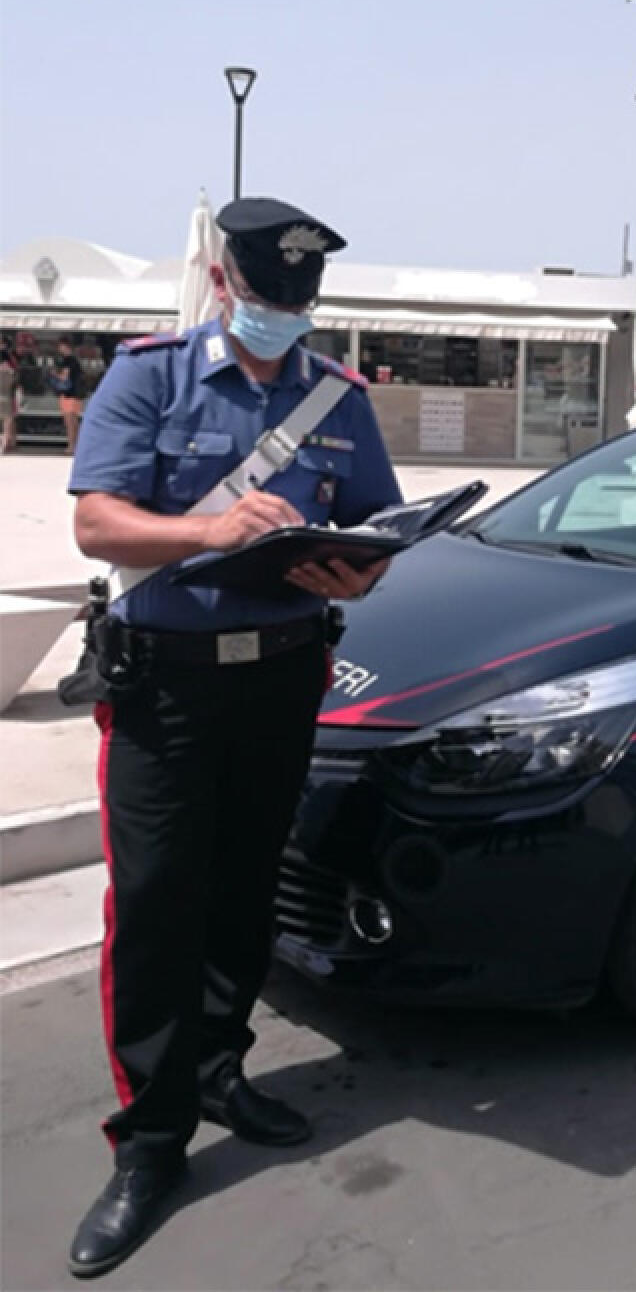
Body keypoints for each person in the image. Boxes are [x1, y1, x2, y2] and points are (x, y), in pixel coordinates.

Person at [65, 198, 401, 1279]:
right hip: (165, 689)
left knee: (246, 887)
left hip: (282, 681)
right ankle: (150, 1143)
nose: (279, 318)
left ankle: (219, 1066)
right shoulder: (150, 375)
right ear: (223, 285)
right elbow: (97, 520)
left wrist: (357, 566)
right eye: (264, 297)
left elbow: (376, 526)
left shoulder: (338, 398)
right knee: (157, 899)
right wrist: (209, 530)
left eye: (298, 302)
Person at [52, 335, 87, 455]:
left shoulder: (67, 360)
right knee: (75, 422)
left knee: (69, 422)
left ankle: (71, 446)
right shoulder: (75, 361)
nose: (59, 349)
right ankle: (76, 445)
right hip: (76, 394)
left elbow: (64, 377)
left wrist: (54, 374)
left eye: (60, 346)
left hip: (68, 394)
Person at [0, 342, 19, 453]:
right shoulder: (11, 374)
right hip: (7, 399)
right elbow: (16, 386)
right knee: (7, 425)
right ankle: (3, 447)